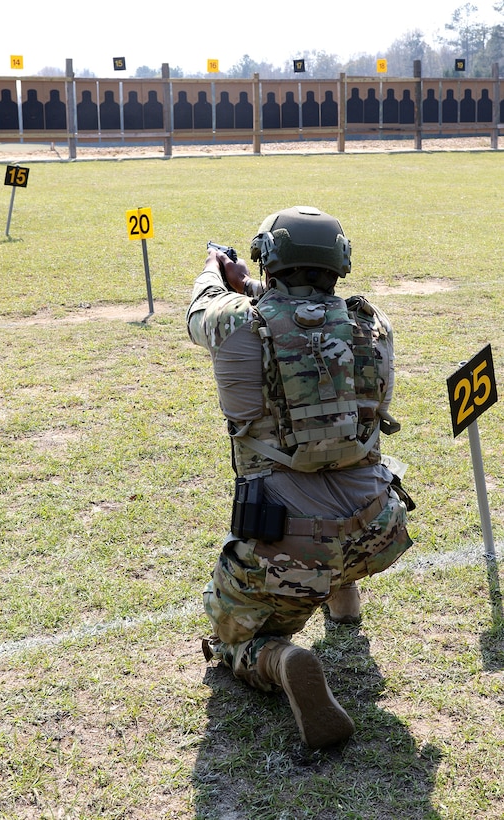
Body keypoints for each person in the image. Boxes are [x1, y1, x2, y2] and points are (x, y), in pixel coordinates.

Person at [186, 205, 413, 749]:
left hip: (288, 545)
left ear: (269, 260)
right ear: (339, 262)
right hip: (378, 529)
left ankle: (282, 661)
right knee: (337, 460)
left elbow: (201, 310)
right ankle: (344, 602)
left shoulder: (237, 320)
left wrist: (219, 271)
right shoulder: (371, 322)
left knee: (230, 633)